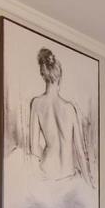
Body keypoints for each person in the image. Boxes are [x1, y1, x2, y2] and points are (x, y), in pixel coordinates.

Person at [27, 47, 88, 182]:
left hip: (47, 172)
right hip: (68, 174)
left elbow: (34, 147)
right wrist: (89, 183)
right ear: (59, 77)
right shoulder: (70, 108)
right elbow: (80, 153)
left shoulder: (36, 103)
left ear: (43, 75)